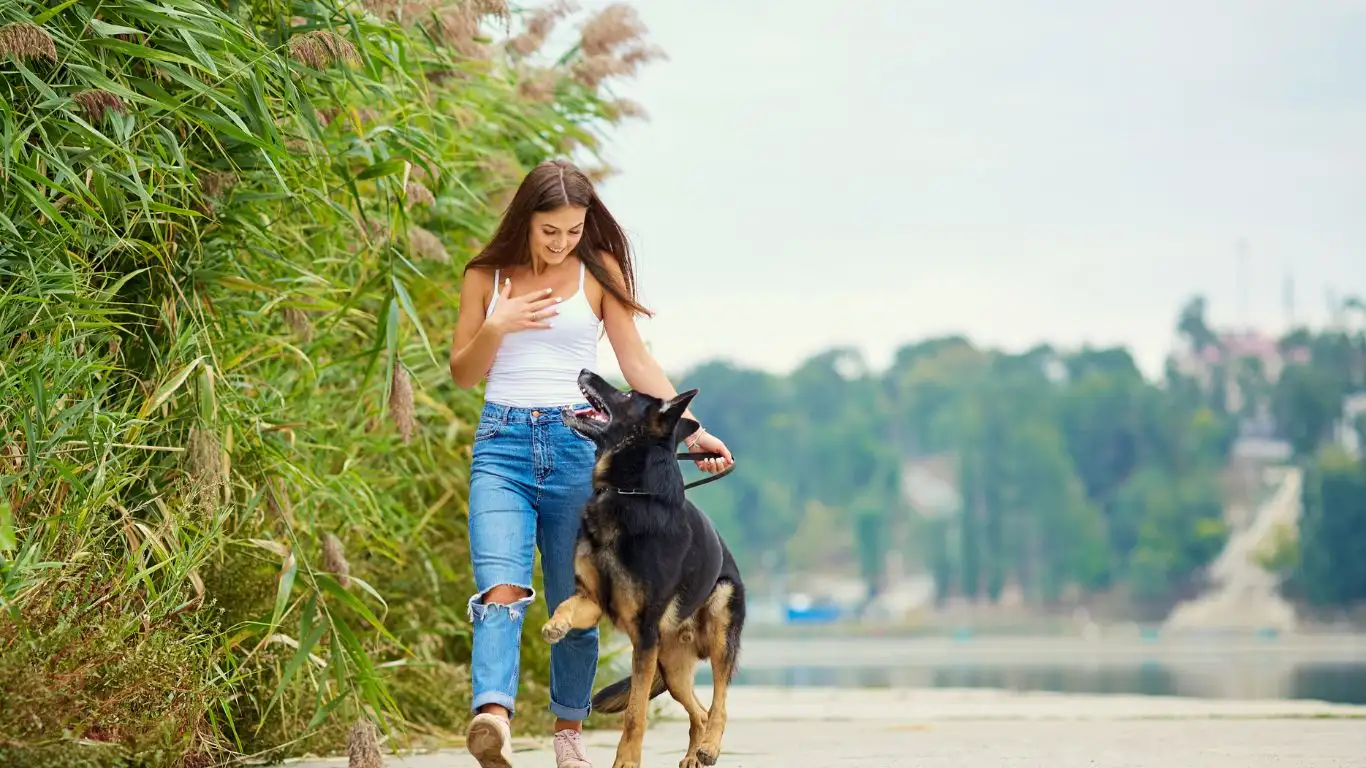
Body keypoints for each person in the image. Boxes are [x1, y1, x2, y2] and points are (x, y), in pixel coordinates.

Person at [447, 159, 735, 768]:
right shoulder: (485, 276)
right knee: (500, 587)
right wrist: (496, 325)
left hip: (577, 449)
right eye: (550, 230)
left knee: (578, 600)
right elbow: (463, 373)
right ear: (527, 219)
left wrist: (696, 430)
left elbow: (635, 364)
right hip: (501, 445)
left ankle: (567, 735)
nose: (561, 242)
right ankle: (492, 717)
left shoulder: (596, 275)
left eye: (573, 230)